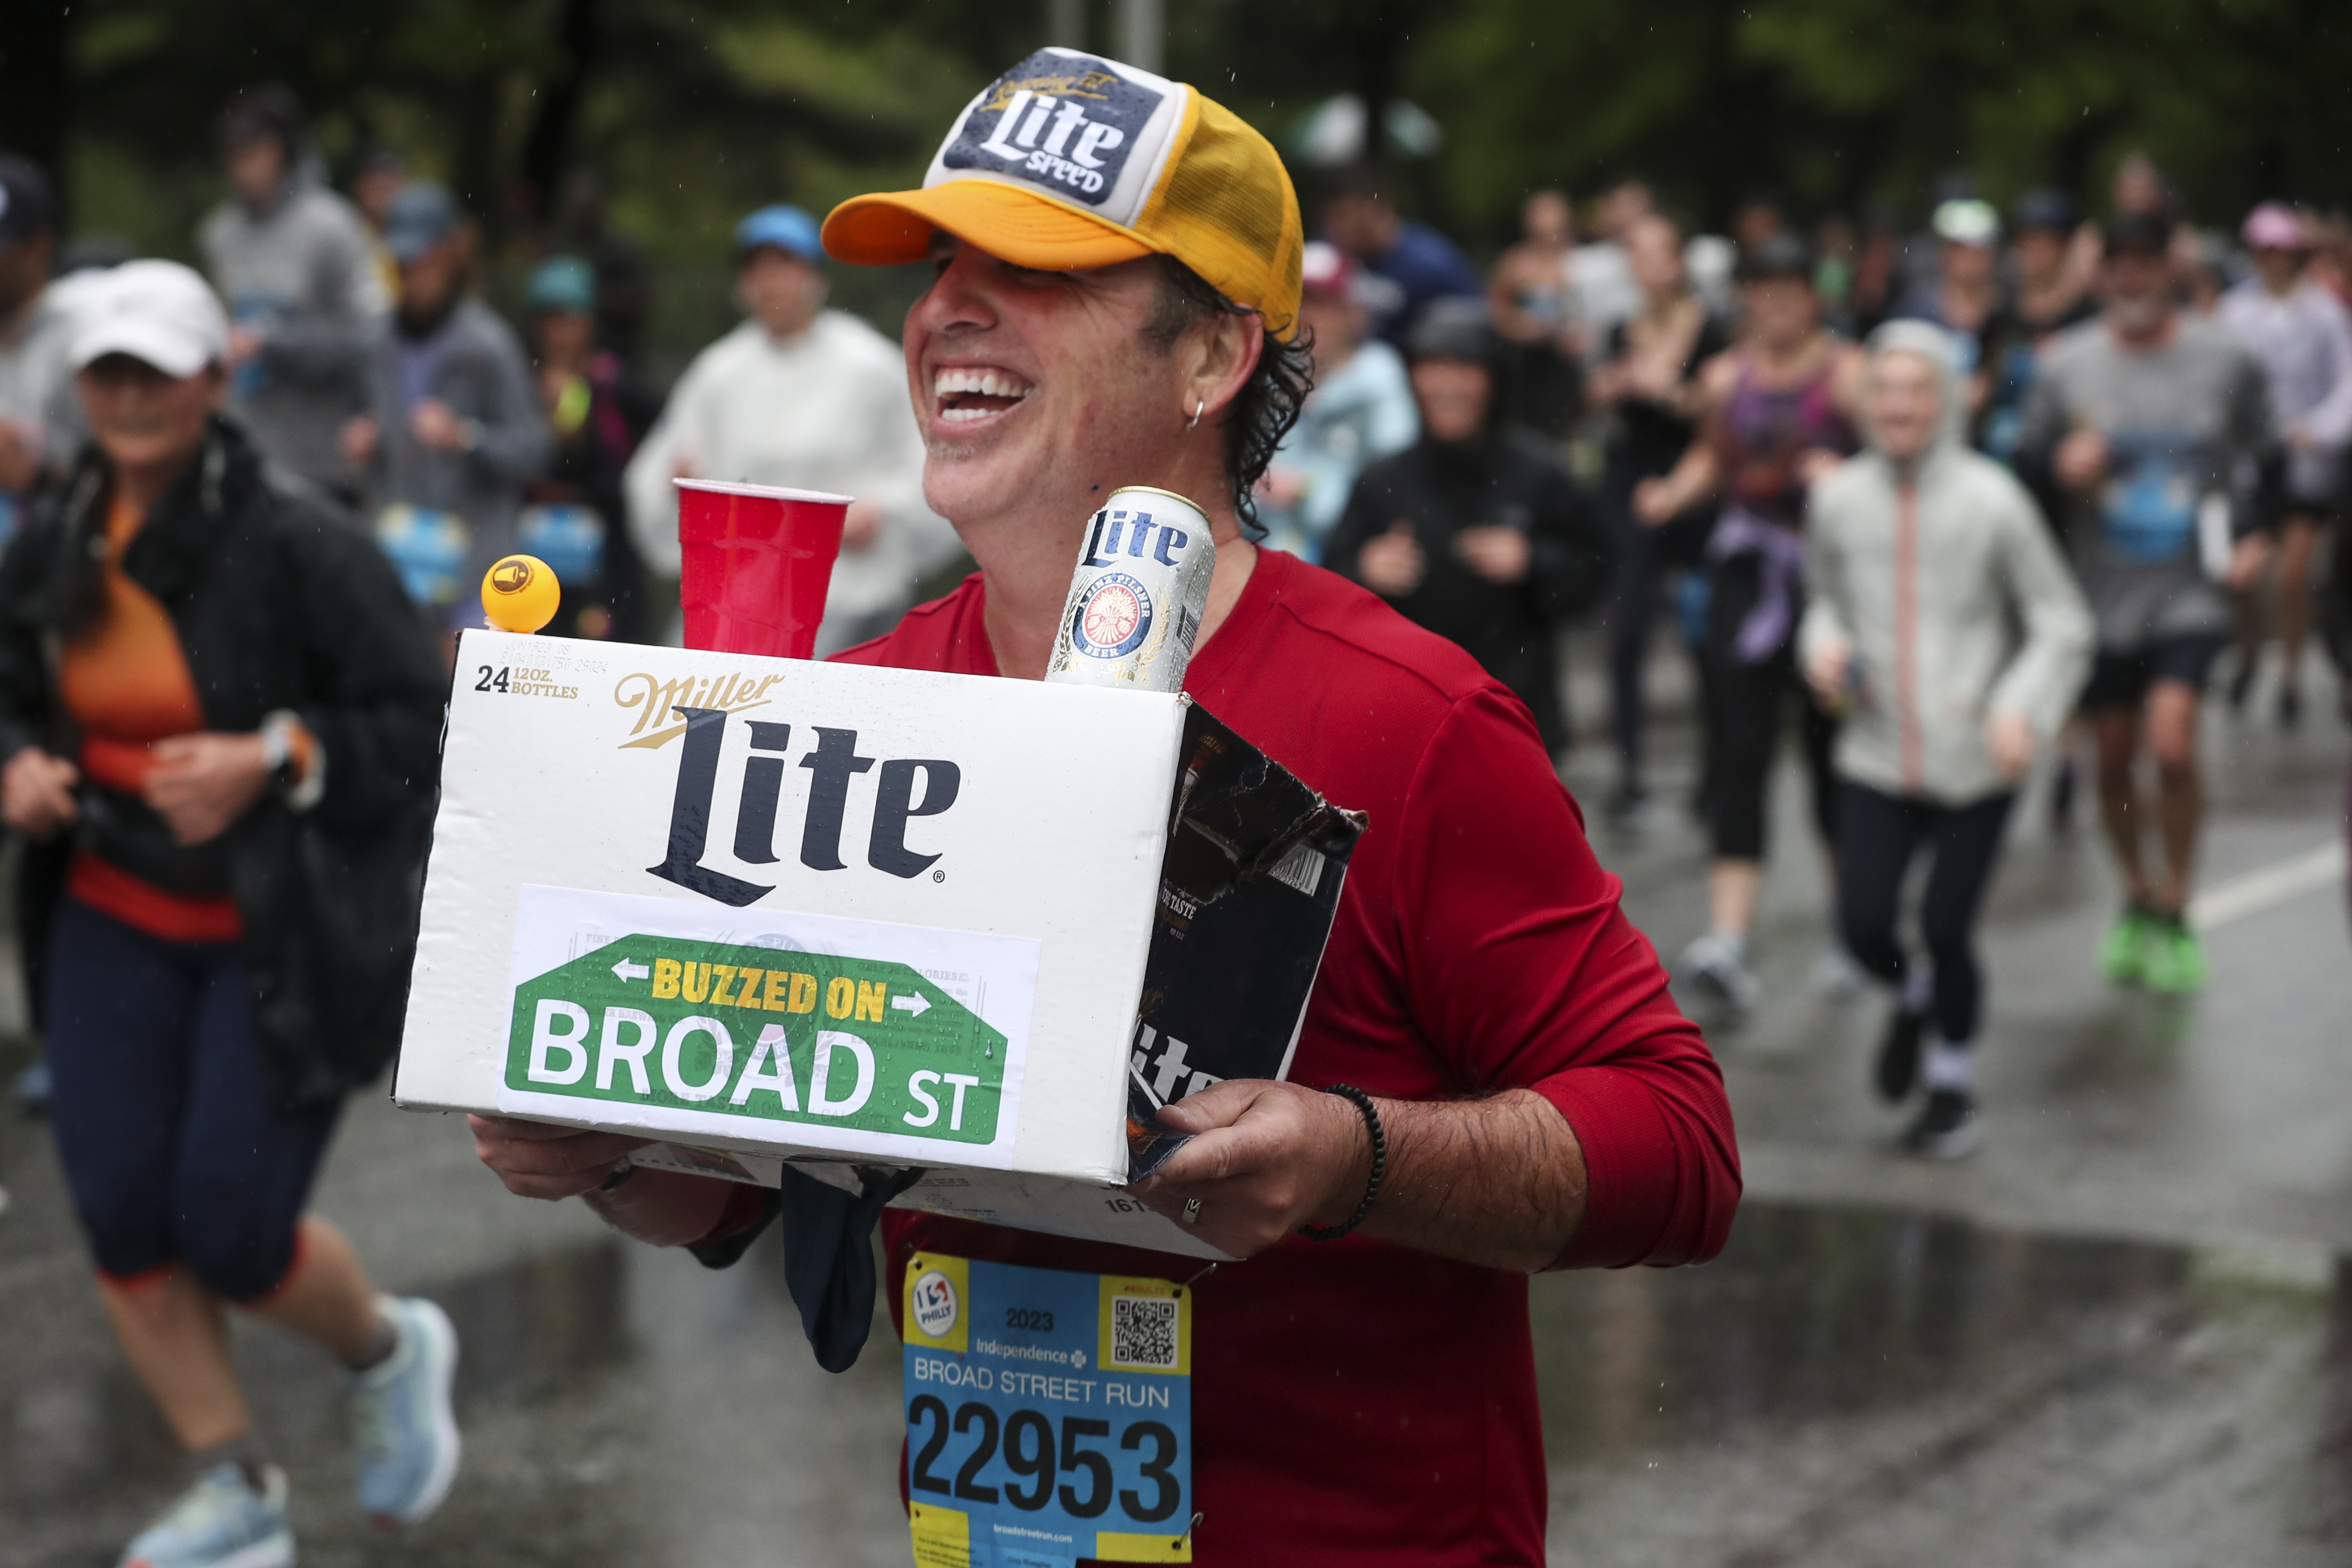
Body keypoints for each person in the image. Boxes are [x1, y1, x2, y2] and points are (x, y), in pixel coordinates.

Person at [471, 46, 1739, 1567]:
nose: (948, 306)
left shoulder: (1409, 719)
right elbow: (740, 1185)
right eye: (943, 261)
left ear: (1210, 353)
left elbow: (1677, 1145)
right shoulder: (866, 700)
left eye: (1039, 269)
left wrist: (1353, 1154)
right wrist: (597, 1144)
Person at [0, 261, 455, 1566]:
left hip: (273, 937)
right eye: (108, 371)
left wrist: (278, 753)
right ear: (82, 387)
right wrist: (18, 760)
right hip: (105, 918)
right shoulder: (62, 531)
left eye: (158, 369)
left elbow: (418, 728)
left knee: (233, 1233)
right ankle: (237, 1488)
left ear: (215, 378)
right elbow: (12, 688)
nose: (132, 394)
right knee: (121, 1217)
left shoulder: (300, 541)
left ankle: (387, 1348)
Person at [1802, 322, 2094, 1158]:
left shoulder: (1993, 499)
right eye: (1883, 389)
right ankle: (1910, 995)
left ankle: (1952, 1086)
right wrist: (1819, 648)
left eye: (1916, 388)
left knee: (1943, 921)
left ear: (1948, 398)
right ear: (1863, 401)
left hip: (1977, 754)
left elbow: (2061, 621)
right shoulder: (1837, 499)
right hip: (1874, 747)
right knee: (1862, 926)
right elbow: (1820, 600)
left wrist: (2021, 708)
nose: (1898, 404)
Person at [2018, 212, 2275, 994]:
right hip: (2099, 595)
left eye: (2145, 263)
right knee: (2115, 760)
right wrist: (2061, 467)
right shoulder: (2068, 367)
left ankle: (2178, 900)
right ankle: (2136, 889)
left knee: (2172, 742)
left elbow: (2266, 456)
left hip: (2189, 589)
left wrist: (2257, 535)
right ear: (2100, 277)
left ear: (2171, 268)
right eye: (2117, 266)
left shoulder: (2224, 358)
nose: (2131, 279)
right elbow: (2024, 471)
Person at [1635, 234, 1864, 1013]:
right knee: (1738, 750)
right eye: (1761, 289)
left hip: (1831, 584)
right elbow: (1711, 456)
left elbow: (1893, 460)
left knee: (1834, 756)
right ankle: (1729, 939)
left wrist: (1847, 479)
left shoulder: (1849, 376)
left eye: (1789, 288)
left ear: (1812, 295)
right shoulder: (1725, 377)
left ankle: (1849, 931)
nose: (1775, 302)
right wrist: (1672, 492)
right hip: (1746, 577)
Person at [624, 205, 951, 653]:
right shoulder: (720, 372)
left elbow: (933, 461)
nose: (771, 283)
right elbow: (659, 473)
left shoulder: (869, 366)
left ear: (814, 277)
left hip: (849, 598)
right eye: (758, 270)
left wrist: (885, 513)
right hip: (741, 602)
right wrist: (674, 485)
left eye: (784, 267)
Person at [1325, 297, 1612, 756]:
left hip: (1517, 717)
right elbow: (1327, 589)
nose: (1446, 385)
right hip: (1405, 723)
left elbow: (1594, 577)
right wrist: (1364, 570)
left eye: (1464, 368)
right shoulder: (1382, 481)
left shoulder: (1539, 473)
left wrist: (1533, 561)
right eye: (1432, 367)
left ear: (1494, 379)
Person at [342, 182, 550, 630]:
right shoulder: (374, 342)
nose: (410, 271)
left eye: (420, 259)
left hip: (476, 574)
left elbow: (534, 449)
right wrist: (362, 436)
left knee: (461, 695)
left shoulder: (488, 344)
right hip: (399, 565)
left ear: (448, 255)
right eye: (400, 261)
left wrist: (466, 438)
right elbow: (366, 422)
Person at [1589, 212, 1730, 824]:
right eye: (1636, 256)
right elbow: (1596, 397)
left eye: (1656, 254)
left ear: (1678, 262)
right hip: (1630, 477)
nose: (1646, 268)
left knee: (1704, 625)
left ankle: (1716, 769)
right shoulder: (1624, 327)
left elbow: (1718, 409)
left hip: (1694, 475)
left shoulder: (1712, 327)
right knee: (1628, 625)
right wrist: (1614, 386)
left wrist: (1665, 387)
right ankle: (1631, 770)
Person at [197, 84, 386, 498]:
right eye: (233, 154)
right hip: (245, 453)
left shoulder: (334, 227)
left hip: (321, 461)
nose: (241, 167)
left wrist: (274, 342)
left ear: (283, 152)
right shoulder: (219, 233)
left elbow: (373, 337)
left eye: (253, 152)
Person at [2218, 202, 2352, 725]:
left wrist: (2317, 430)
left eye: (2279, 251)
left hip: (2305, 461)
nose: (2271, 261)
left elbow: (2345, 384)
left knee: (2293, 577)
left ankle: (2290, 672)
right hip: (2253, 465)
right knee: (2245, 577)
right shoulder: (2234, 313)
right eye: (2262, 251)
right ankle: (2250, 651)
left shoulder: (2324, 315)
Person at [1253, 240, 1416, 562]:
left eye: (1322, 303)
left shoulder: (1380, 379)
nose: (1306, 315)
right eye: (1297, 301)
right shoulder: (1265, 373)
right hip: (1258, 554)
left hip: (1348, 559)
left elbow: (1398, 483)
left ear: (1354, 313)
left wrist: (1306, 491)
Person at [521, 255, 656, 641]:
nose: (562, 332)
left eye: (571, 318)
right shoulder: (521, 384)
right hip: (537, 559)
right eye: (552, 319)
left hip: (606, 562)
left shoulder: (615, 384)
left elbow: (642, 464)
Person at [1976, 190, 2098, 469]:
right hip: (2004, 451)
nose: (2035, 252)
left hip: (2065, 454)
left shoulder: (2089, 317)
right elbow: (1982, 385)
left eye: (2046, 242)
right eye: (2027, 241)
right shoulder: (2000, 317)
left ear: (2066, 247)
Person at [1319, 164, 1482, 346]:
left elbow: (1472, 329)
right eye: (1333, 217)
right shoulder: (1326, 256)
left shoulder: (1431, 264)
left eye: (1349, 215)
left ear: (1379, 208)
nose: (1340, 227)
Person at [1486, 190, 1583, 434]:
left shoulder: (1584, 262)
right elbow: (1494, 313)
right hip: (1532, 365)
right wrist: (1529, 330)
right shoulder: (1515, 265)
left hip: (1579, 360)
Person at [1893, 199, 2004, 390]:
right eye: (1961, 250)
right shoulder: (1916, 307)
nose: (1969, 260)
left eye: (1977, 252)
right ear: (1945, 253)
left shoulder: (2005, 310)